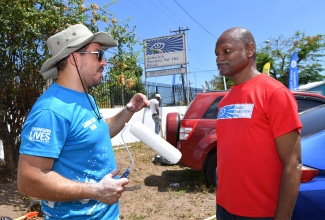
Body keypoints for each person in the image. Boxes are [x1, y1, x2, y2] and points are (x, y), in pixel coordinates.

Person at [17, 24, 149, 219]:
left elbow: (98, 131)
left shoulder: (86, 98)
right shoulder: (51, 110)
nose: (104, 62)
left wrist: (129, 110)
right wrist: (96, 191)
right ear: (74, 58)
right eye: (99, 54)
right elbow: (28, 180)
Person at [215, 27, 302, 220]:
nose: (219, 58)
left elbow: (293, 163)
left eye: (226, 51)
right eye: (217, 54)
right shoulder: (225, 101)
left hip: (261, 214)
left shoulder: (275, 93)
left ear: (249, 49)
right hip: (224, 208)